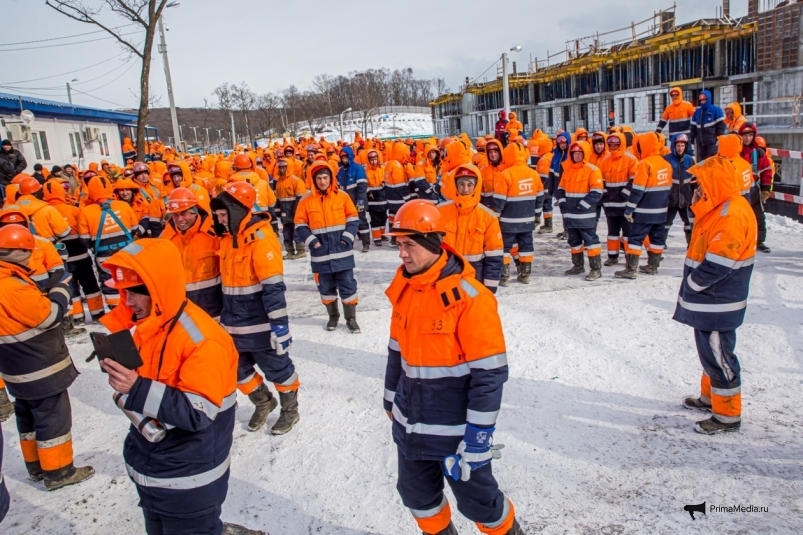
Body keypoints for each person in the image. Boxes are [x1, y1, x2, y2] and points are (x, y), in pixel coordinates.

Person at [98, 239, 261, 535]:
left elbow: (198, 413)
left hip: (188, 479)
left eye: (136, 292)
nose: (128, 301)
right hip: (154, 470)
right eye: (124, 292)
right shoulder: (150, 326)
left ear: (160, 287)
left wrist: (135, 388)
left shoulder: (203, 341)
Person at [383, 200, 522, 535]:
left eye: (409, 246)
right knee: (418, 499)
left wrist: (479, 435)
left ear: (432, 244)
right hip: (411, 426)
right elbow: (396, 352)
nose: (402, 254)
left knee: (482, 505)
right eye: (399, 245)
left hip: (455, 434)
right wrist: (390, 401)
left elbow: (490, 375)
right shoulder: (406, 288)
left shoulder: (469, 297)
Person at [0, 224, 95, 491]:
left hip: (14, 366)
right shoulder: (12, 286)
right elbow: (49, 316)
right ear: (17, 252)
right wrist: (61, 290)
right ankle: (59, 471)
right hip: (37, 364)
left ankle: (36, 467)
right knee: (52, 416)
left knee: (27, 415)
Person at [674, 156, 756, 434]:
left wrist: (693, 284)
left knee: (720, 357)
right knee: (709, 353)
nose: (696, 190)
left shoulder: (730, 214)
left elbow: (719, 263)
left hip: (717, 302)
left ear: (714, 184)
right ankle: (711, 398)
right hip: (711, 302)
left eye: (700, 185)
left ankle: (727, 416)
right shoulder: (721, 207)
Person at [211, 182, 300, 435]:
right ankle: (263, 402)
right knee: (237, 371)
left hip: (260, 324)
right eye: (217, 215)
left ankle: (290, 410)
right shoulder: (227, 240)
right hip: (233, 323)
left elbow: (273, 288)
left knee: (279, 370)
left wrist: (280, 327)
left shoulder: (261, 239)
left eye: (222, 214)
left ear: (237, 210)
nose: (220, 220)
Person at [295, 162, 361, 333]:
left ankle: (351, 319)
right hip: (320, 254)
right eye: (319, 178)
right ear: (313, 180)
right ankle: (333, 317)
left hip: (342, 252)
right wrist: (312, 241)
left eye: (325, 177)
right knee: (326, 288)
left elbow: (353, 218)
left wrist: (347, 238)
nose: (323, 181)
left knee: (348, 285)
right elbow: (300, 224)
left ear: (331, 178)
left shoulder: (343, 196)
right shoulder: (306, 201)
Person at [42, 179, 105, 323]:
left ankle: (77, 317)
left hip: (60, 259)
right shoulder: (74, 210)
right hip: (81, 255)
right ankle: (98, 313)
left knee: (71, 288)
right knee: (90, 285)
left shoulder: (42, 213)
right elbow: (84, 232)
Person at [78, 175, 139, 309]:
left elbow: (84, 240)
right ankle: (134, 307)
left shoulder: (86, 212)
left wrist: (96, 246)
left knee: (109, 281)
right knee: (131, 279)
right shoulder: (123, 206)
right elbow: (136, 229)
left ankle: (115, 310)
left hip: (104, 255)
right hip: (127, 252)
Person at [438, 166, 504, 292]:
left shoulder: (488, 216)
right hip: (445, 274)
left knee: (472, 310)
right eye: (461, 184)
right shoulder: (440, 211)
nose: (465, 189)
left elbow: (494, 255)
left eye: (470, 184)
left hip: (473, 278)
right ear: (455, 185)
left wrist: (490, 288)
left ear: (476, 186)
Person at [616, 132, 673, 278]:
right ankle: (653, 266)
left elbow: (637, 191)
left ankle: (631, 269)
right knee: (658, 239)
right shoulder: (666, 164)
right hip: (661, 212)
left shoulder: (644, 165)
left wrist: (629, 209)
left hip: (644, 212)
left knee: (635, 239)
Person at [161, 187, 223, 319]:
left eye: (183, 214)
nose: (179, 219)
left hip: (214, 308)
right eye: (175, 215)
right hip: (182, 310)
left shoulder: (214, 234)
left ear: (194, 212)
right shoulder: (165, 239)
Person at [493, 141, 544, 285]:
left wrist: (495, 218)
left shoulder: (505, 174)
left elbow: (499, 202)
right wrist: (537, 216)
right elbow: (540, 198)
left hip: (507, 222)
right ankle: (525, 274)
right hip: (527, 220)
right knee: (526, 247)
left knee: (504, 248)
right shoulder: (534, 174)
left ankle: (504, 277)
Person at [556, 142, 604, 281]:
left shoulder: (593, 170)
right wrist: (563, 205)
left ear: (585, 154)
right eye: (574, 153)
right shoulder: (568, 170)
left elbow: (596, 192)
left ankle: (596, 269)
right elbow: (560, 190)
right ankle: (578, 265)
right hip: (570, 216)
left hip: (585, 216)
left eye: (579, 153)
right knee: (574, 241)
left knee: (591, 242)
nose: (577, 155)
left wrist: (581, 206)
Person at [599, 132, 638, 266]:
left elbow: (634, 180)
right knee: (612, 233)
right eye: (611, 144)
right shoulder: (604, 161)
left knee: (628, 233)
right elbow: (600, 181)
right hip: (610, 204)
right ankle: (612, 256)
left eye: (616, 144)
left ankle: (630, 257)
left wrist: (624, 195)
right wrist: (605, 196)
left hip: (625, 205)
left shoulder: (631, 160)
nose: (613, 147)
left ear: (621, 144)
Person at [738, 123, 773, 253]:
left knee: (759, 216)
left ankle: (759, 241)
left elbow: (767, 171)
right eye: (745, 135)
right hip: (739, 192)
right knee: (740, 218)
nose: (748, 138)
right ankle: (740, 241)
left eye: (750, 135)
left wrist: (765, 188)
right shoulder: (736, 151)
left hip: (754, 191)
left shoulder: (758, 153)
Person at [663, 134, 696, 247]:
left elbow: (694, 179)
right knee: (666, 223)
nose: (680, 148)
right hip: (671, 199)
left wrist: (695, 194)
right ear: (673, 146)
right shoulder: (667, 159)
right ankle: (661, 243)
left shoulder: (690, 160)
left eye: (682, 145)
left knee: (689, 223)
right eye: (678, 145)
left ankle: (691, 243)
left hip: (686, 198)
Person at [273, 158, 308, 260]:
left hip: (294, 210)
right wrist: (278, 210)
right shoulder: (279, 182)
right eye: (280, 167)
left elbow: (300, 198)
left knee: (297, 231)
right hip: (285, 211)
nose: (282, 169)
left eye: (284, 167)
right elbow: (278, 198)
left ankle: (301, 251)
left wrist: (296, 210)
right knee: (286, 232)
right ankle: (290, 251)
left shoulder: (296, 181)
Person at [337, 146, 370, 253]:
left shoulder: (358, 168)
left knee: (362, 222)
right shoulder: (341, 171)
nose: (344, 159)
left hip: (357, 201)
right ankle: (348, 244)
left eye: (345, 157)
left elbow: (362, 187)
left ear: (350, 156)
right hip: (346, 204)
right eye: (342, 157)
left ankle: (366, 244)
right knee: (347, 224)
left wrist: (360, 202)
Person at [543, 131, 571, 235]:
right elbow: (551, 173)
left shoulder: (570, 155)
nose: (562, 144)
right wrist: (550, 188)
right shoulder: (556, 156)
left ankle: (569, 230)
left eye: (564, 142)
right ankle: (566, 230)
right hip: (558, 188)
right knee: (563, 209)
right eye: (560, 143)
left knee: (568, 210)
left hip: (569, 188)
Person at [690, 90, 726, 160]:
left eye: (704, 99)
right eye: (701, 100)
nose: (702, 101)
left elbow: (721, 126)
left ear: (708, 99)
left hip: (712, 143)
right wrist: (691, 138)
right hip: (700, 143)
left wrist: (720, 138)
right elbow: (693, 127)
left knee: (712, 160)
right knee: (702, 161)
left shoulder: (716, 110)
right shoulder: (697, 112)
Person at [365, 149, 388, 247]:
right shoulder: (365, 171)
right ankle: (377, 238)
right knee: (375, 220)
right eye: (371, 160)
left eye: (375, 159)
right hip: (372, 199)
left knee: (383, 218)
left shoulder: (383, 168)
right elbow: (363, 184)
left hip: (383, 197)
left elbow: (388, 178)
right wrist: (368, 191)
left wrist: (384, 182)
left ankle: (382, 235)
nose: (373, 161)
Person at [0, 139, 27, 204]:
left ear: (11, 146)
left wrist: (16, 171)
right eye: (4, 145)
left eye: (7, 145)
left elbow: (23, 163)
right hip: (3, 179)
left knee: (16, 194)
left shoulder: (16, 153)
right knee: (5, 197)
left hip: (15, 178)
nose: (6, 147)